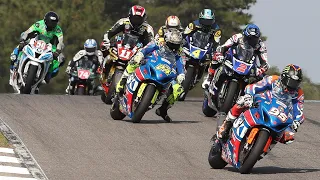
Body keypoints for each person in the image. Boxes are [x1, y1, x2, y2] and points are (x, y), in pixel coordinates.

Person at [217, 64, 304, 144]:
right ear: (284, 77)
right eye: (291, 82)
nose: (292, 86)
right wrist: (249, 95)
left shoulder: (298, 93)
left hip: (280, 113)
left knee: (289, 136)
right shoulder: (273, 79)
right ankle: (226, 124)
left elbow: (299, 110)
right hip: (264, 102)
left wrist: (297, 121)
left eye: (296, 83)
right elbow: (254, 87)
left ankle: (267, 146)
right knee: (242, 101)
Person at [115, 29, 185, 122]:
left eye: (177, 45)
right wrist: (140, 54)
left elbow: (181, 63)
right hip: (152, 61)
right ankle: (122, 81)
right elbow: (147, 48)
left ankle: (163, 109)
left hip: (166, 71)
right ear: (167, 41)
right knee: (134, 61)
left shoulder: (180, 51)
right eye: (172, 44)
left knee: (178, 90)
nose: (174, 47)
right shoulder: (159, 42)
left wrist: (181, 74)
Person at [202, 23, 269, 89]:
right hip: (232, 59)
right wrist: (220, 54)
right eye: (249, 38)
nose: (251, 41)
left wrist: (261, 69)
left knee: (262, 78)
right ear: (244, 35)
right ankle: (209, 78)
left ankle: (248, 96)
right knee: (215, 57)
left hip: (248, 65)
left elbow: (265, 62)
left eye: (254, 39)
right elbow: (224, 47)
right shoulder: (237, 37)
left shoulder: (261, 45)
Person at [9, 11, 65, 86]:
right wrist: (22, 40)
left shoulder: (58, 29)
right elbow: (27, 32)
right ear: (45, 21)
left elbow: (60, 42)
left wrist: (58, 51)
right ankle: (15, 64)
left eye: (54, 23)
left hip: (49, 46)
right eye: (50, 23)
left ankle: (48, 74)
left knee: (61, 59)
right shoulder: (39, 24)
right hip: (35, 41)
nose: (52, 26)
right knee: (19, 47)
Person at [100, 5, 154, 79]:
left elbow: (151, 44)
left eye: (139, 19)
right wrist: (107, 41)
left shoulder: (147, 29)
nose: (136, 22)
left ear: (144, 19)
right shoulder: (123, 22)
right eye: (134, 19)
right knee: (104, 47)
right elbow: (109, 33)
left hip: (137, 51)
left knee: (146, 64)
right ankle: (103, 69)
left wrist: (146, 53)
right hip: (122, 46)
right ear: (130, 16)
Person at [183, 9, 222, 83]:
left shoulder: (217, 29)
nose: (206, 23)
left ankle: (209, 78)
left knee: (215, 59)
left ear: (213, 20)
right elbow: (185, 34)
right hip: (194, 44)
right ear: (200, 18)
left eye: (209, 21)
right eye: (204, 21)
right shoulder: (193, 24)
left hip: (206, 46)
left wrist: (214, 51)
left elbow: (216, 42)